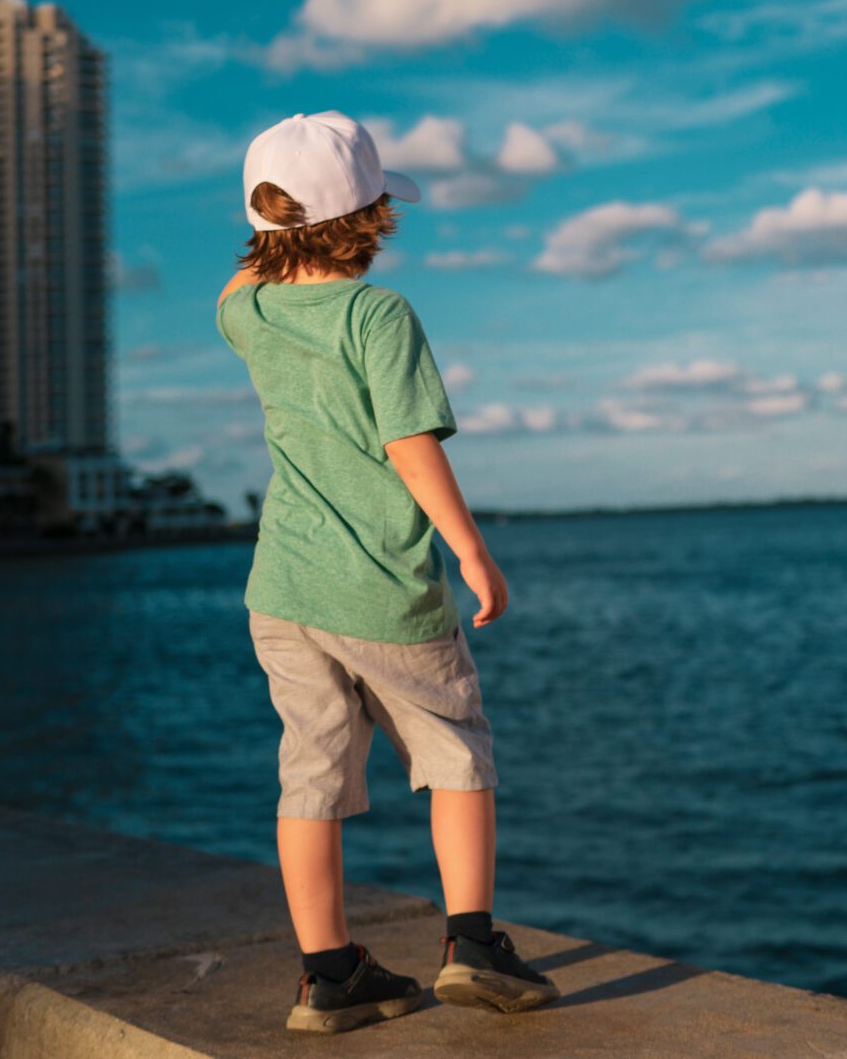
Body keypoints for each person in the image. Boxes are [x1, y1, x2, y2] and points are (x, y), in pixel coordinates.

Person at [214, 111, 559, 1033]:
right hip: (382, 590)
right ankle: (473, 944)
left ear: (268, 224)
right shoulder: (377, 313)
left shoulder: (246, 311)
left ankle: (328, 973)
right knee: (457, 754)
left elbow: (244, 274)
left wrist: (275, 241)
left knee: (311, 776)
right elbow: (409, 445)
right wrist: (471, 550)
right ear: (371, 218)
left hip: (283, 593)